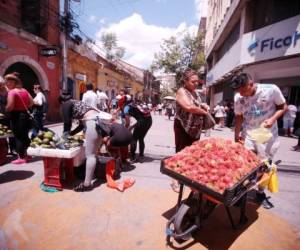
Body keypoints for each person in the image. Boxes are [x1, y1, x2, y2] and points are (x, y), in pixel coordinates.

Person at [231, 72, 287, 209]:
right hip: (249, 134)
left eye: (244, 90)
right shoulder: (238, 96)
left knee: (264, 166)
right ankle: (240, 193)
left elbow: (282, 107)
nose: (242, 94)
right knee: (244, 165)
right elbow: (239, 117)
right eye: (239, 91)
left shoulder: (271, 90)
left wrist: (273, 119)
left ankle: (260, 193)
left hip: (266, 134)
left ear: (251, 83)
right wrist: (236, 135)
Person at [58, 93, 112, 192]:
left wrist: (64, 136)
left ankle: (87, 184)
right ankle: (90, 174)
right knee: (93, 153)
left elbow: (67, 123)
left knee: (90, 155)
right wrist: (72, 133)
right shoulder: (78, 103)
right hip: (100, 122)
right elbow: (81, 125)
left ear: (61, 102)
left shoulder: (66, 104)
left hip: (93, 122)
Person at [174, 68, 209, 153]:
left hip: (195, 130)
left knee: (193, 154)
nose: (196, 83)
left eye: (197, 81)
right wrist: (205, 113)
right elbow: (189, 107)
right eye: (193, 82)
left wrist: (203, 105)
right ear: (185, 81)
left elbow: (197, 104)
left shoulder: (195, 92)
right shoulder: (181, 91)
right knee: (183, 154)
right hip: (184, 128)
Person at [5, 72, 34, 164]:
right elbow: (31, 102)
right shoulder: (24, 90)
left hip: (16, 116)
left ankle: (21, 157)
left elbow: (10, 106)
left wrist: (5, 110)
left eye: (9, 82)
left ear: (14, 82)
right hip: (25, 115)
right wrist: (24, 107)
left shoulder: (12, 92)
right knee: (25, 136)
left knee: (18, 137)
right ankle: (28, 154)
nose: (7, 84)